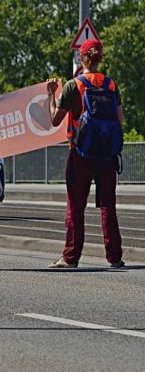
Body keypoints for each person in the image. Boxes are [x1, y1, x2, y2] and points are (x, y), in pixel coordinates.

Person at [46, 39, 124, 268]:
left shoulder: (74, 85)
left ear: (82, 58)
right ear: (101, 57)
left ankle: (70, 257)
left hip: (81, 153)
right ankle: (115, 257)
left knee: (76, 206)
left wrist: (51, 94)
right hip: (107, 154)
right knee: (108, 206)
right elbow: (119, 121)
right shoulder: (111, 85)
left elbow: (55, 119)